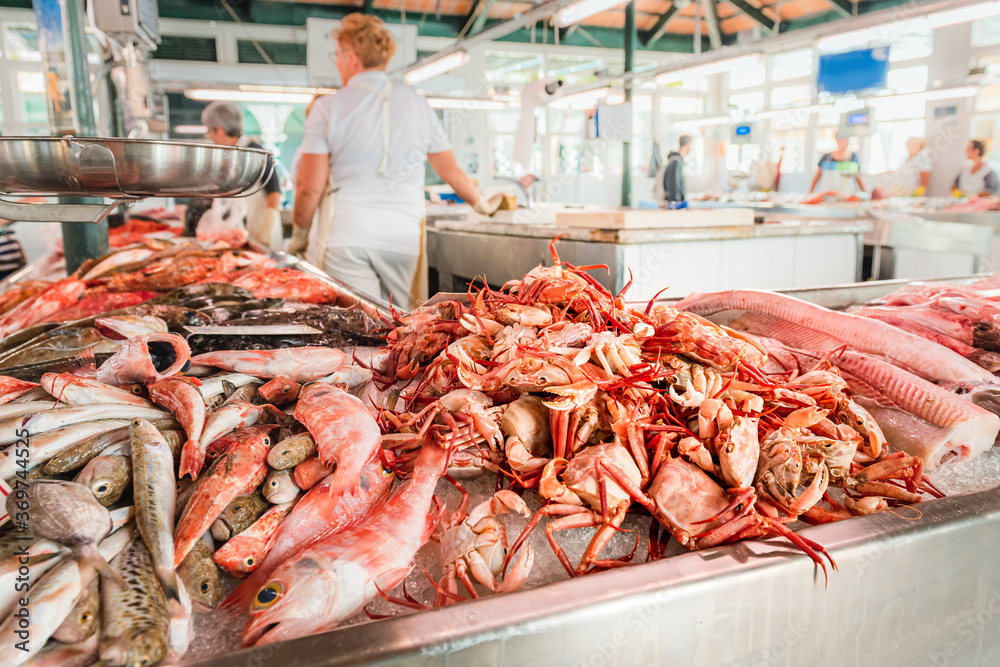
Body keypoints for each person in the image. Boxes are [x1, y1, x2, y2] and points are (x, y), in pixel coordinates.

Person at [290, 13, 499, 309]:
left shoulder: (327, 108)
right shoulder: (419, 104)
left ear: (351, 57)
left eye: (337, 55)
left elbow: (309, 188)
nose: (336, 63)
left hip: (347, 236)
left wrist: (299, 235)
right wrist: (484, 205)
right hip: (402, 239)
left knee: (358, 325)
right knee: (399, 324)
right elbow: (451, 171)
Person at [200, 101, 283, 250]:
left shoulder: (256, 153)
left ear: (219, 130)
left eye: (209, 132)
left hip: (261, 231)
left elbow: (275, 192)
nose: (210, 138)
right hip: (242, 231)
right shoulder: (231, 154)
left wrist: (266, 231)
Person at [656, 135, 692, 203]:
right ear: (688, 145)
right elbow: (674, 185)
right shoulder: (676, 162)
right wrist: (677, 203)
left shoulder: (677, 160)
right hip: (674, 204)